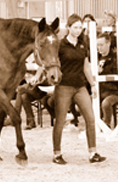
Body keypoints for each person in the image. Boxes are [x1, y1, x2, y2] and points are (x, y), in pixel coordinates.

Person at [49, 13, 106, 164]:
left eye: (81, 27)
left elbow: (86, 66)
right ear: (68, 28)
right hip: (64, 87)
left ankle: (93, 153)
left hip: (80, 86)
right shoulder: (60, 45)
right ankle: (57, 154)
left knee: (90, 118)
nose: (79, 30)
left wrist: (93, 84)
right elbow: (51, 62)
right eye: (75, 27)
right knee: (60, 121)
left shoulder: (83, 44)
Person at [97, 33, 118, 128]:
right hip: (99, 91)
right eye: (97, 45)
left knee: (106, 103)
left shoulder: (115, 58)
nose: (99, 48)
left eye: (101, 45)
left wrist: (103, 71)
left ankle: (107, 125)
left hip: (114, 92)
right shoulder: (96, 57)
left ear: (108, 43)